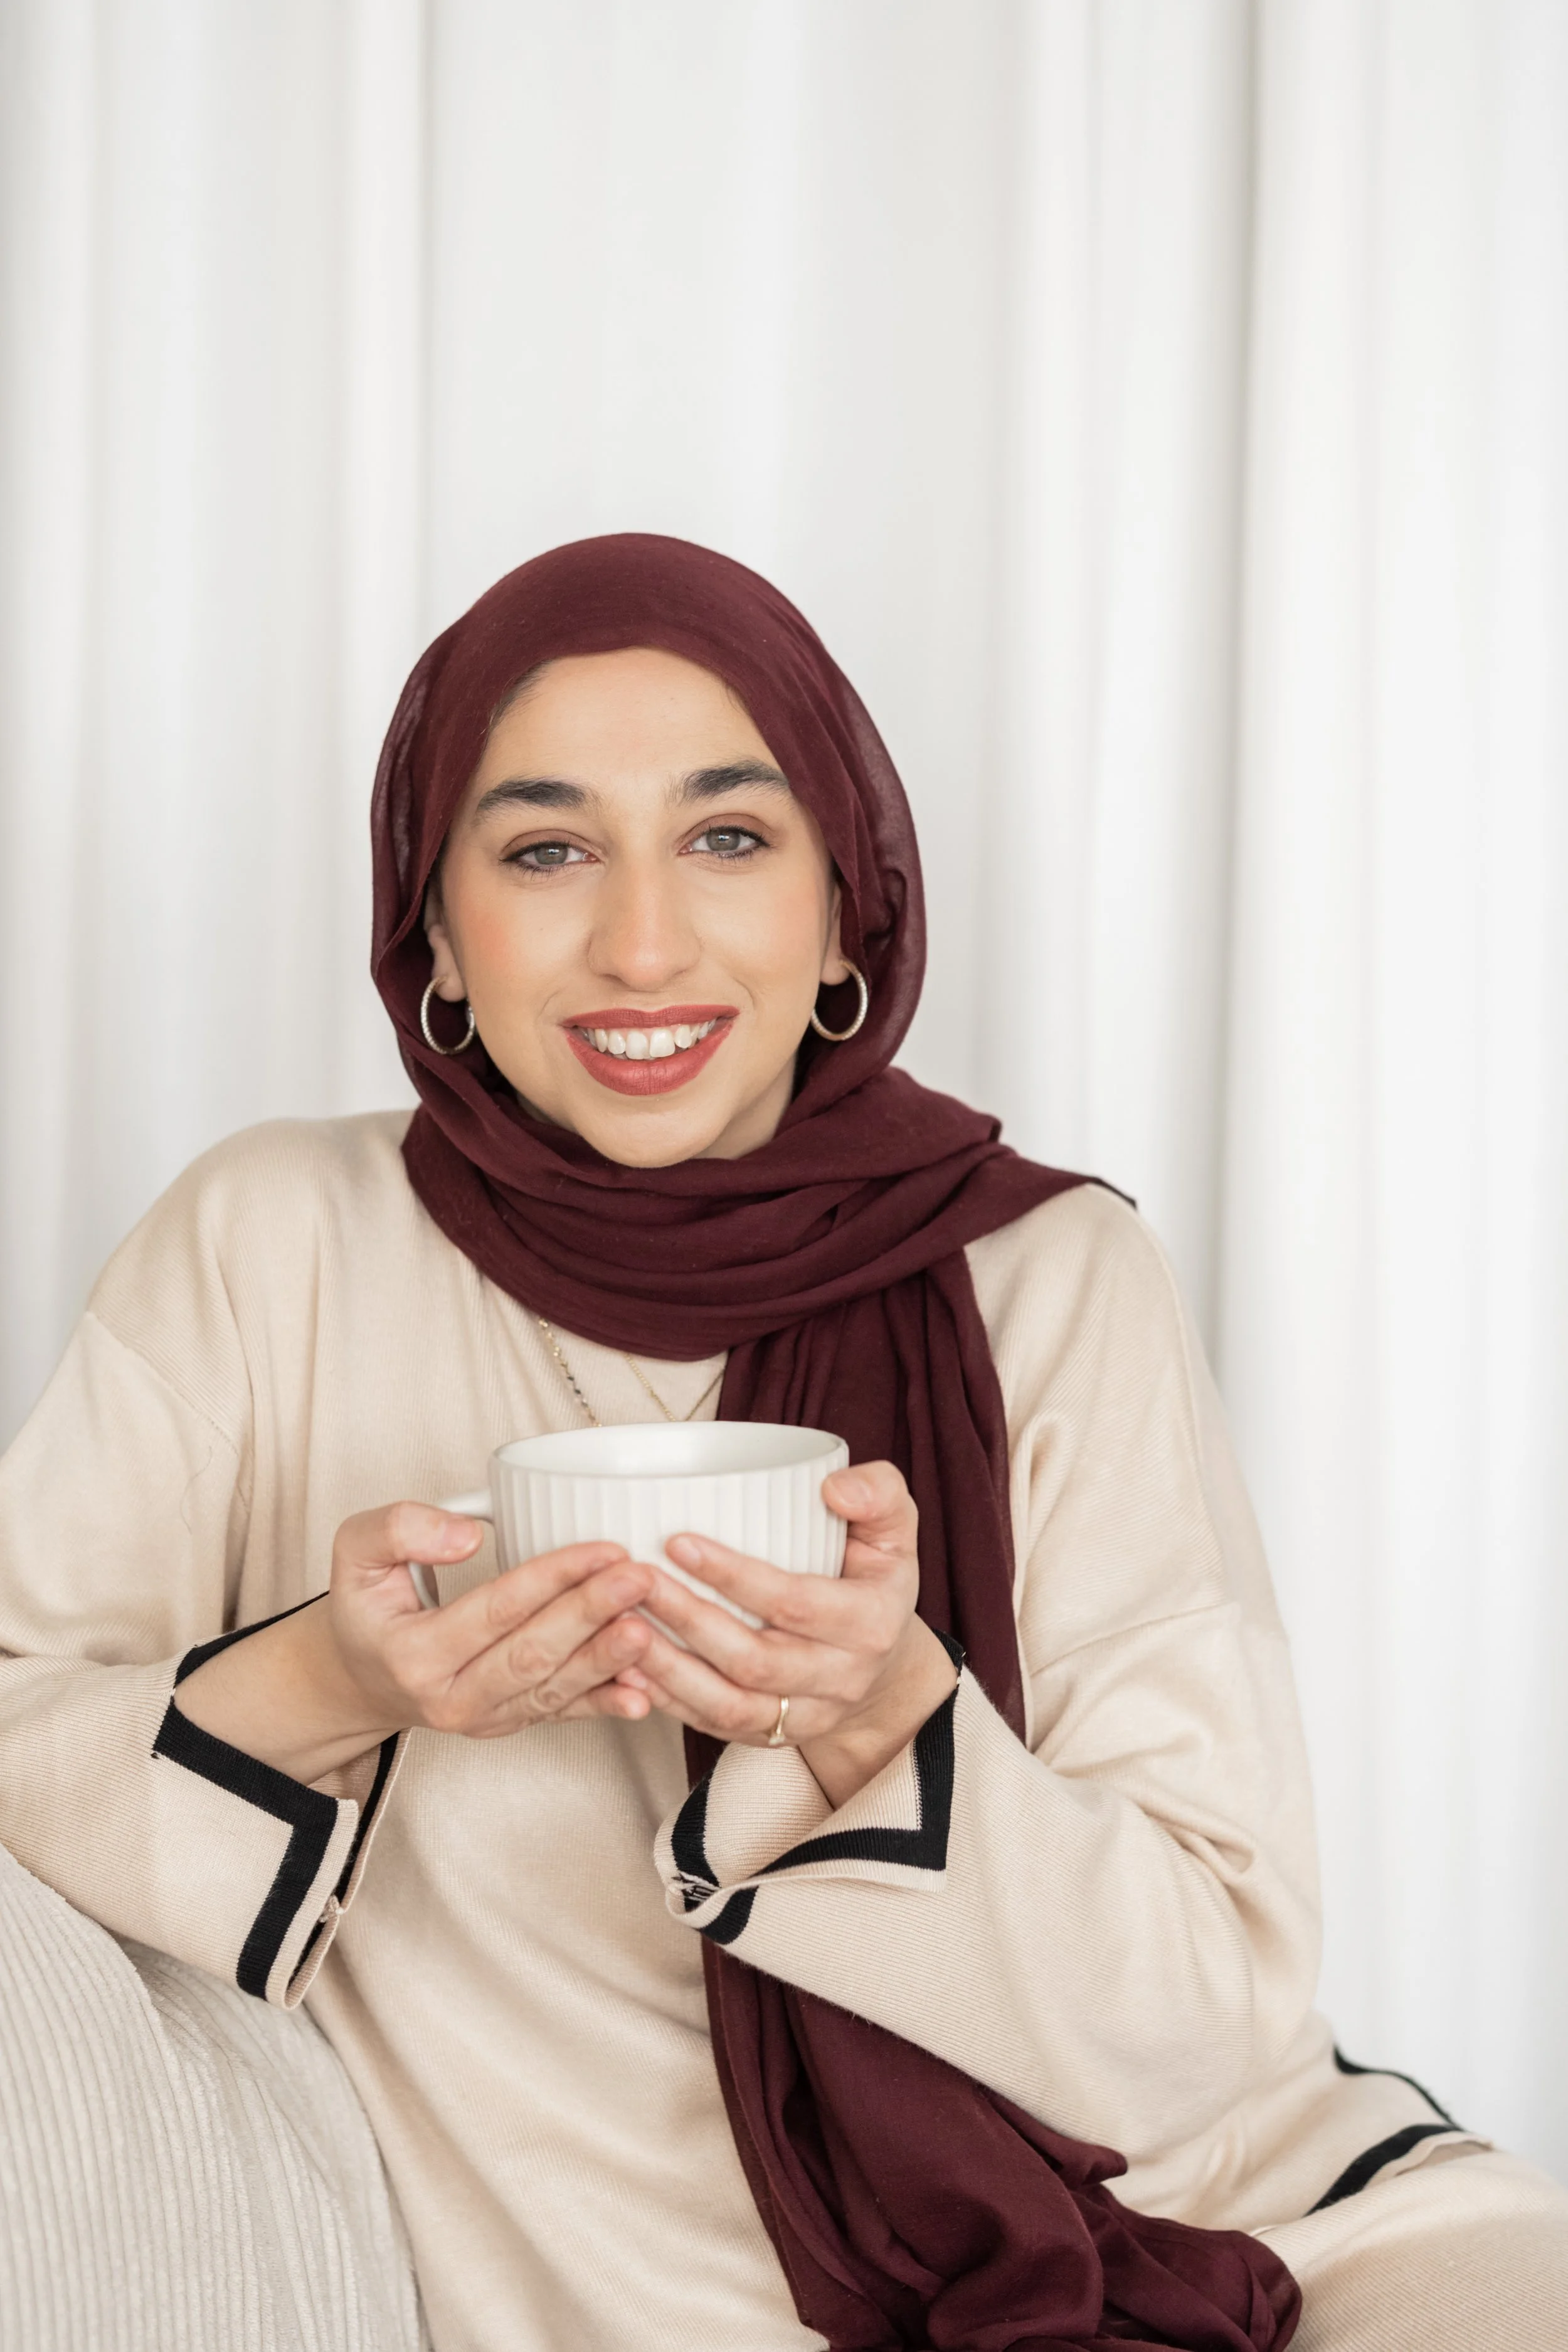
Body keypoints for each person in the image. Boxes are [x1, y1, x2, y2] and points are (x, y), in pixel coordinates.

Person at [0, 535, 1564, 2352]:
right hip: (657, 2290)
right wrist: (333, 1678)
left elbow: (1210, 2014)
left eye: (728, 838)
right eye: (544, 848)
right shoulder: (270, 1240)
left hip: (1201, 2204)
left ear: (845, 909)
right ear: (431, 926)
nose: (642, 940)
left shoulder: (1047, 1273)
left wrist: (881, 1716)